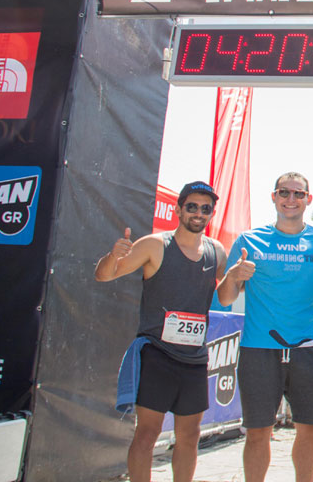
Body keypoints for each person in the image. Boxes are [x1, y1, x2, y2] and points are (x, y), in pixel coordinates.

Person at [95, 181, 227, 482]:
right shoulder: (155, 244)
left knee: (190, 436)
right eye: (191, 206)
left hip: (194, 359)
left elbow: (230, 291)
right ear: (179, 209)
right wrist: (112, 255)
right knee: (148, 433)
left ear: (211, 213)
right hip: (157, 354)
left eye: (205, 208)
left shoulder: (216, 251)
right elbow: (104, 276)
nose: (198, 213)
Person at [217, 172, 313, 482]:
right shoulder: (248, 240)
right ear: (273, 197)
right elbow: (224, 298)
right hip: (259, 349)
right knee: (258, 432)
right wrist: (234, 275)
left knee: (311, 430)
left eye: (298, 194)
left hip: (308, 349)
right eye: (284, 192)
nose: (291, 199)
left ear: (308, 199)